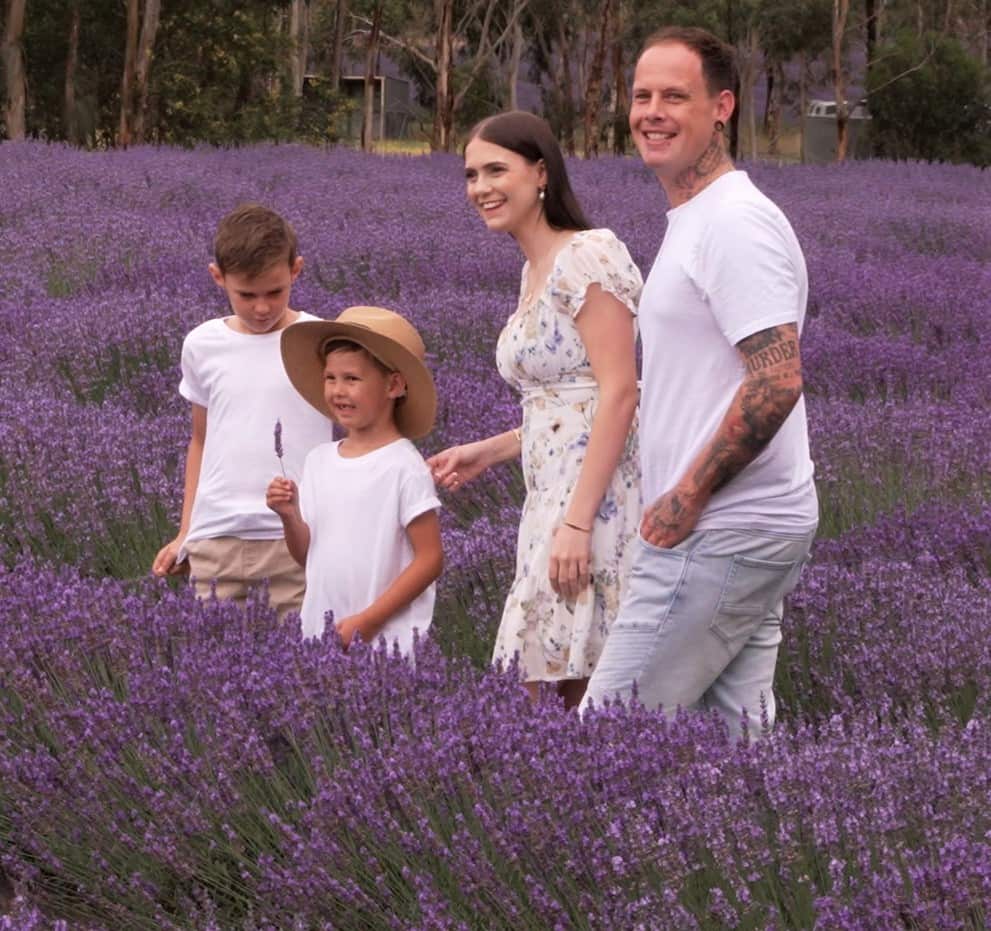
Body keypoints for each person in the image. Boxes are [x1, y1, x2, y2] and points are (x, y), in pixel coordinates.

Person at [579, 27, 818, 737]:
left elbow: (775, 380)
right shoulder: (694, 217)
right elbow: (695, 380)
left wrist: (685, 497)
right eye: (641, 95)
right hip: (744, 525)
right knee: (734, 744)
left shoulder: (733, 223)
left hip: (720, 528)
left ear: (721, 107)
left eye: (673, 96)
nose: (651, 111)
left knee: (605, 739)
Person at [429, 111, 643, 710]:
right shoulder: (533, 270)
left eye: (497, 170)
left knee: (566, 682)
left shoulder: (589, 255)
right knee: (559, 678)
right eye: (471, 175)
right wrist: (491, 450)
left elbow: (620, 392)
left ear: (541, 172)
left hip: (594, 503)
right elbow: (564, 408)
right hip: (549, 496)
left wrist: (577, 523)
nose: (481, 188)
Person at [151, 203, 334, 618]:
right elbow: (201, 440)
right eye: (245, 295)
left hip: (298, 540)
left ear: (297, 270)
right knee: (209, 672)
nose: (262, 308)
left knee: (306, 674)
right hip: (217, 539)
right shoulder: (202, 344)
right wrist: (187, 532)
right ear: (218, 277)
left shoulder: (319, 340)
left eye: (275, 292)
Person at [266, 306, 443, 656]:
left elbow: (430, 559)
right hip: (322, 633)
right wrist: (289, 516)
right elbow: (308, 555)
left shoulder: (403, 466)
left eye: (352, 379)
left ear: (393, 385)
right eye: (330, 378)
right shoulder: (319, 461)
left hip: (386, 640)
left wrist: (368, 621)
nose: (338, 391)